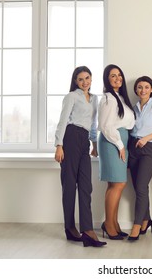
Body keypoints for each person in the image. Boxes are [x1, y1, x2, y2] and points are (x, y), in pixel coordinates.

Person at [54, 66, 106, 248]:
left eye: (87, 78)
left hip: (83, 140)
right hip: (70, 137)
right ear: (76, 81)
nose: (85, 82)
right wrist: (59, 145)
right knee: (69, 185)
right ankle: (69, 227)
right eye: (81, 79)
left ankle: (87, 229)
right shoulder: (71, 97)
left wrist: (93, 143)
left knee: (86, 185)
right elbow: (63, 121)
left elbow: (93, 123)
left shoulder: (94, 99)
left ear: (91, 79)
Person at [98, 64, 135, 240]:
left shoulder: (119, 97)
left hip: (120, 140)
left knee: (115, 184)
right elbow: (106, 126)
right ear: (107, 79)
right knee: (118, 184)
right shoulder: (108, 99)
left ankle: (113, 223)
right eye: (113, 76)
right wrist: (120, 145)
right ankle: (109, 225)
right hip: (112, 142)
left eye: (119, 75)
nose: (117, 78)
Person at [127, 76, 152, 241]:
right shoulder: (133, 108)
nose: (143, 90)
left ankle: (136, 225)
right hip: (133, 147)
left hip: (149, 148)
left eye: (146, 87)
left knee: (141, 186)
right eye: (140, 87)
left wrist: (146, 138)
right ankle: (146, 219)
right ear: (136, 90)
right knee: (139, 187)